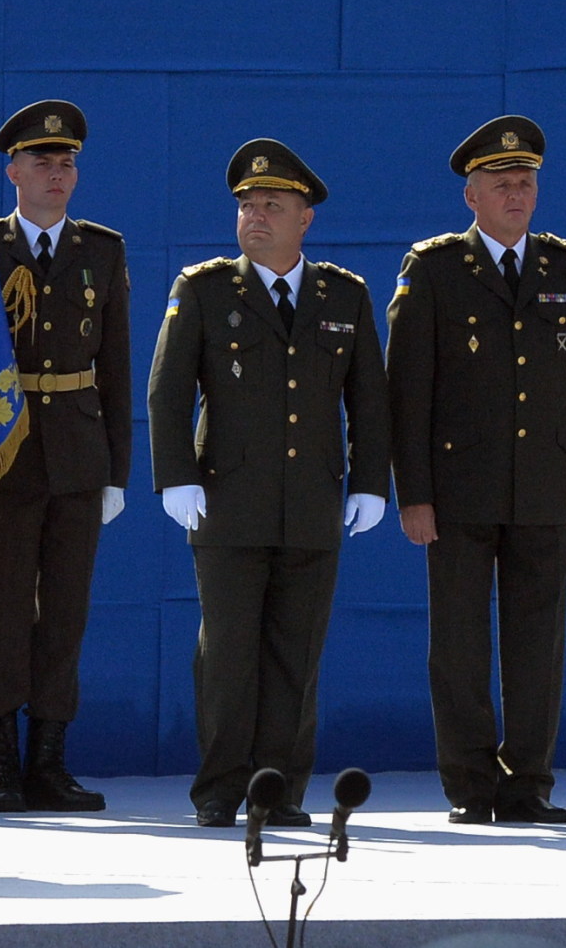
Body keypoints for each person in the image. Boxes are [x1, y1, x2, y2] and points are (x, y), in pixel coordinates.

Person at [147, 139, 390, 828]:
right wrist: (176, 477)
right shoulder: (203, 289)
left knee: (295, 655)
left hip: (312, 503)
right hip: (227, 501)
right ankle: (222, 788)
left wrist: (371, 480)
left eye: (272, 206)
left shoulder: (343, 295)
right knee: (227, 654)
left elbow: (369, 398)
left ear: (304, 218)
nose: (256, 217)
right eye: (248, 206)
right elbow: (167, 392)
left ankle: (278, 787)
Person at [386, 115, 566, 825]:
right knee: (458, 644)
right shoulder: (435, 268)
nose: (518, 195)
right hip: (458, 491)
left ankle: (529, 784)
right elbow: (407, 392)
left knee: (538, 645)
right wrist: (413, 494)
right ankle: (472, 783)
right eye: (503, 183)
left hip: (544, 484)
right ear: (472, 196)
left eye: (527, 183)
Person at [0, 100, 132, 813]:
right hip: (3, 450)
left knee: (66, 611)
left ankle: (50, 762)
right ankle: (2, 764)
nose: (56, 174)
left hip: (76, 449)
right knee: (2, 610)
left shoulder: (102, 249)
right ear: (12, 170)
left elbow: (119, 368)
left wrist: (118, 470)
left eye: (66, 162)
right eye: (41, 161)